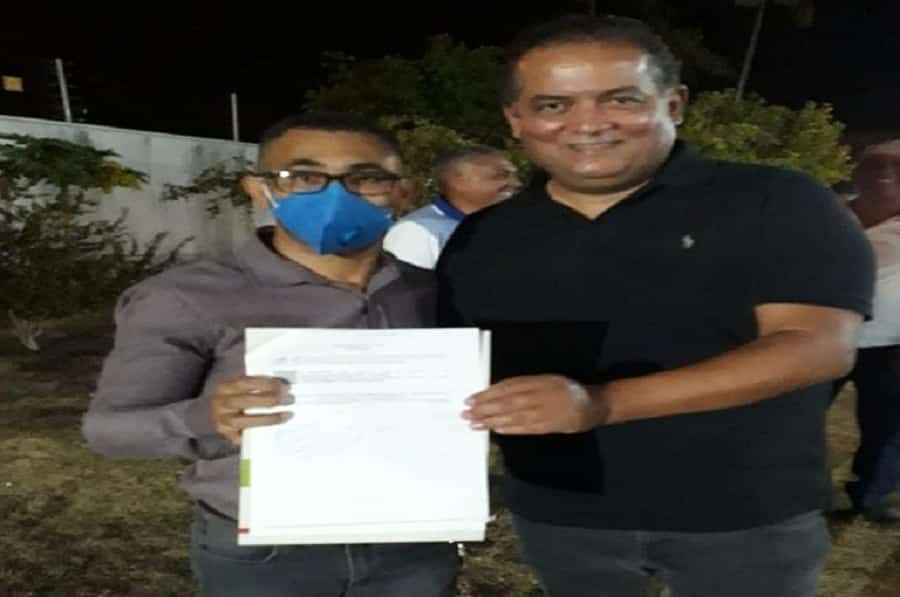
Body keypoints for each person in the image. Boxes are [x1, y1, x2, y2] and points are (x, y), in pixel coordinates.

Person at [436, 15, 875, 597]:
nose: (588, 123)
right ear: (516, 120)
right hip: (558, 512)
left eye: (620, 99)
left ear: (674, 104)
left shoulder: (775, 201)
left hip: (740, 515)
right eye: (553, 105)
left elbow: (815, 346)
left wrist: (603, 403)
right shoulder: (483, 236)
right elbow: (453, 362)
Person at [82, 112, 460, 597]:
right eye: (304, 177)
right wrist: (208, 417)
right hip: (269, 552)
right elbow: (110, 430)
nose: (335, 197)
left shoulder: (432, 290)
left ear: (402, 193)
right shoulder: (185, 297)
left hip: (412, 538)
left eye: (365, 178)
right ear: (260, 189)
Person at [838, 140, 900, 525]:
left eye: (897, 165)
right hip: (817, 338)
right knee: (794, 417)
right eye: (875, 163)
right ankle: (788, 491)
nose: (885, 172)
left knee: (888, 426)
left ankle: (870, 496)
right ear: (857, 171)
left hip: (891, 345)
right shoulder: (826, 213)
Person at [383, 145, 519, 269]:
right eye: (501, 176)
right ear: (458, 181)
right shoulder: (416, 232)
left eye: (513, 176)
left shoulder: (506, 226)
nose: (516, 183)